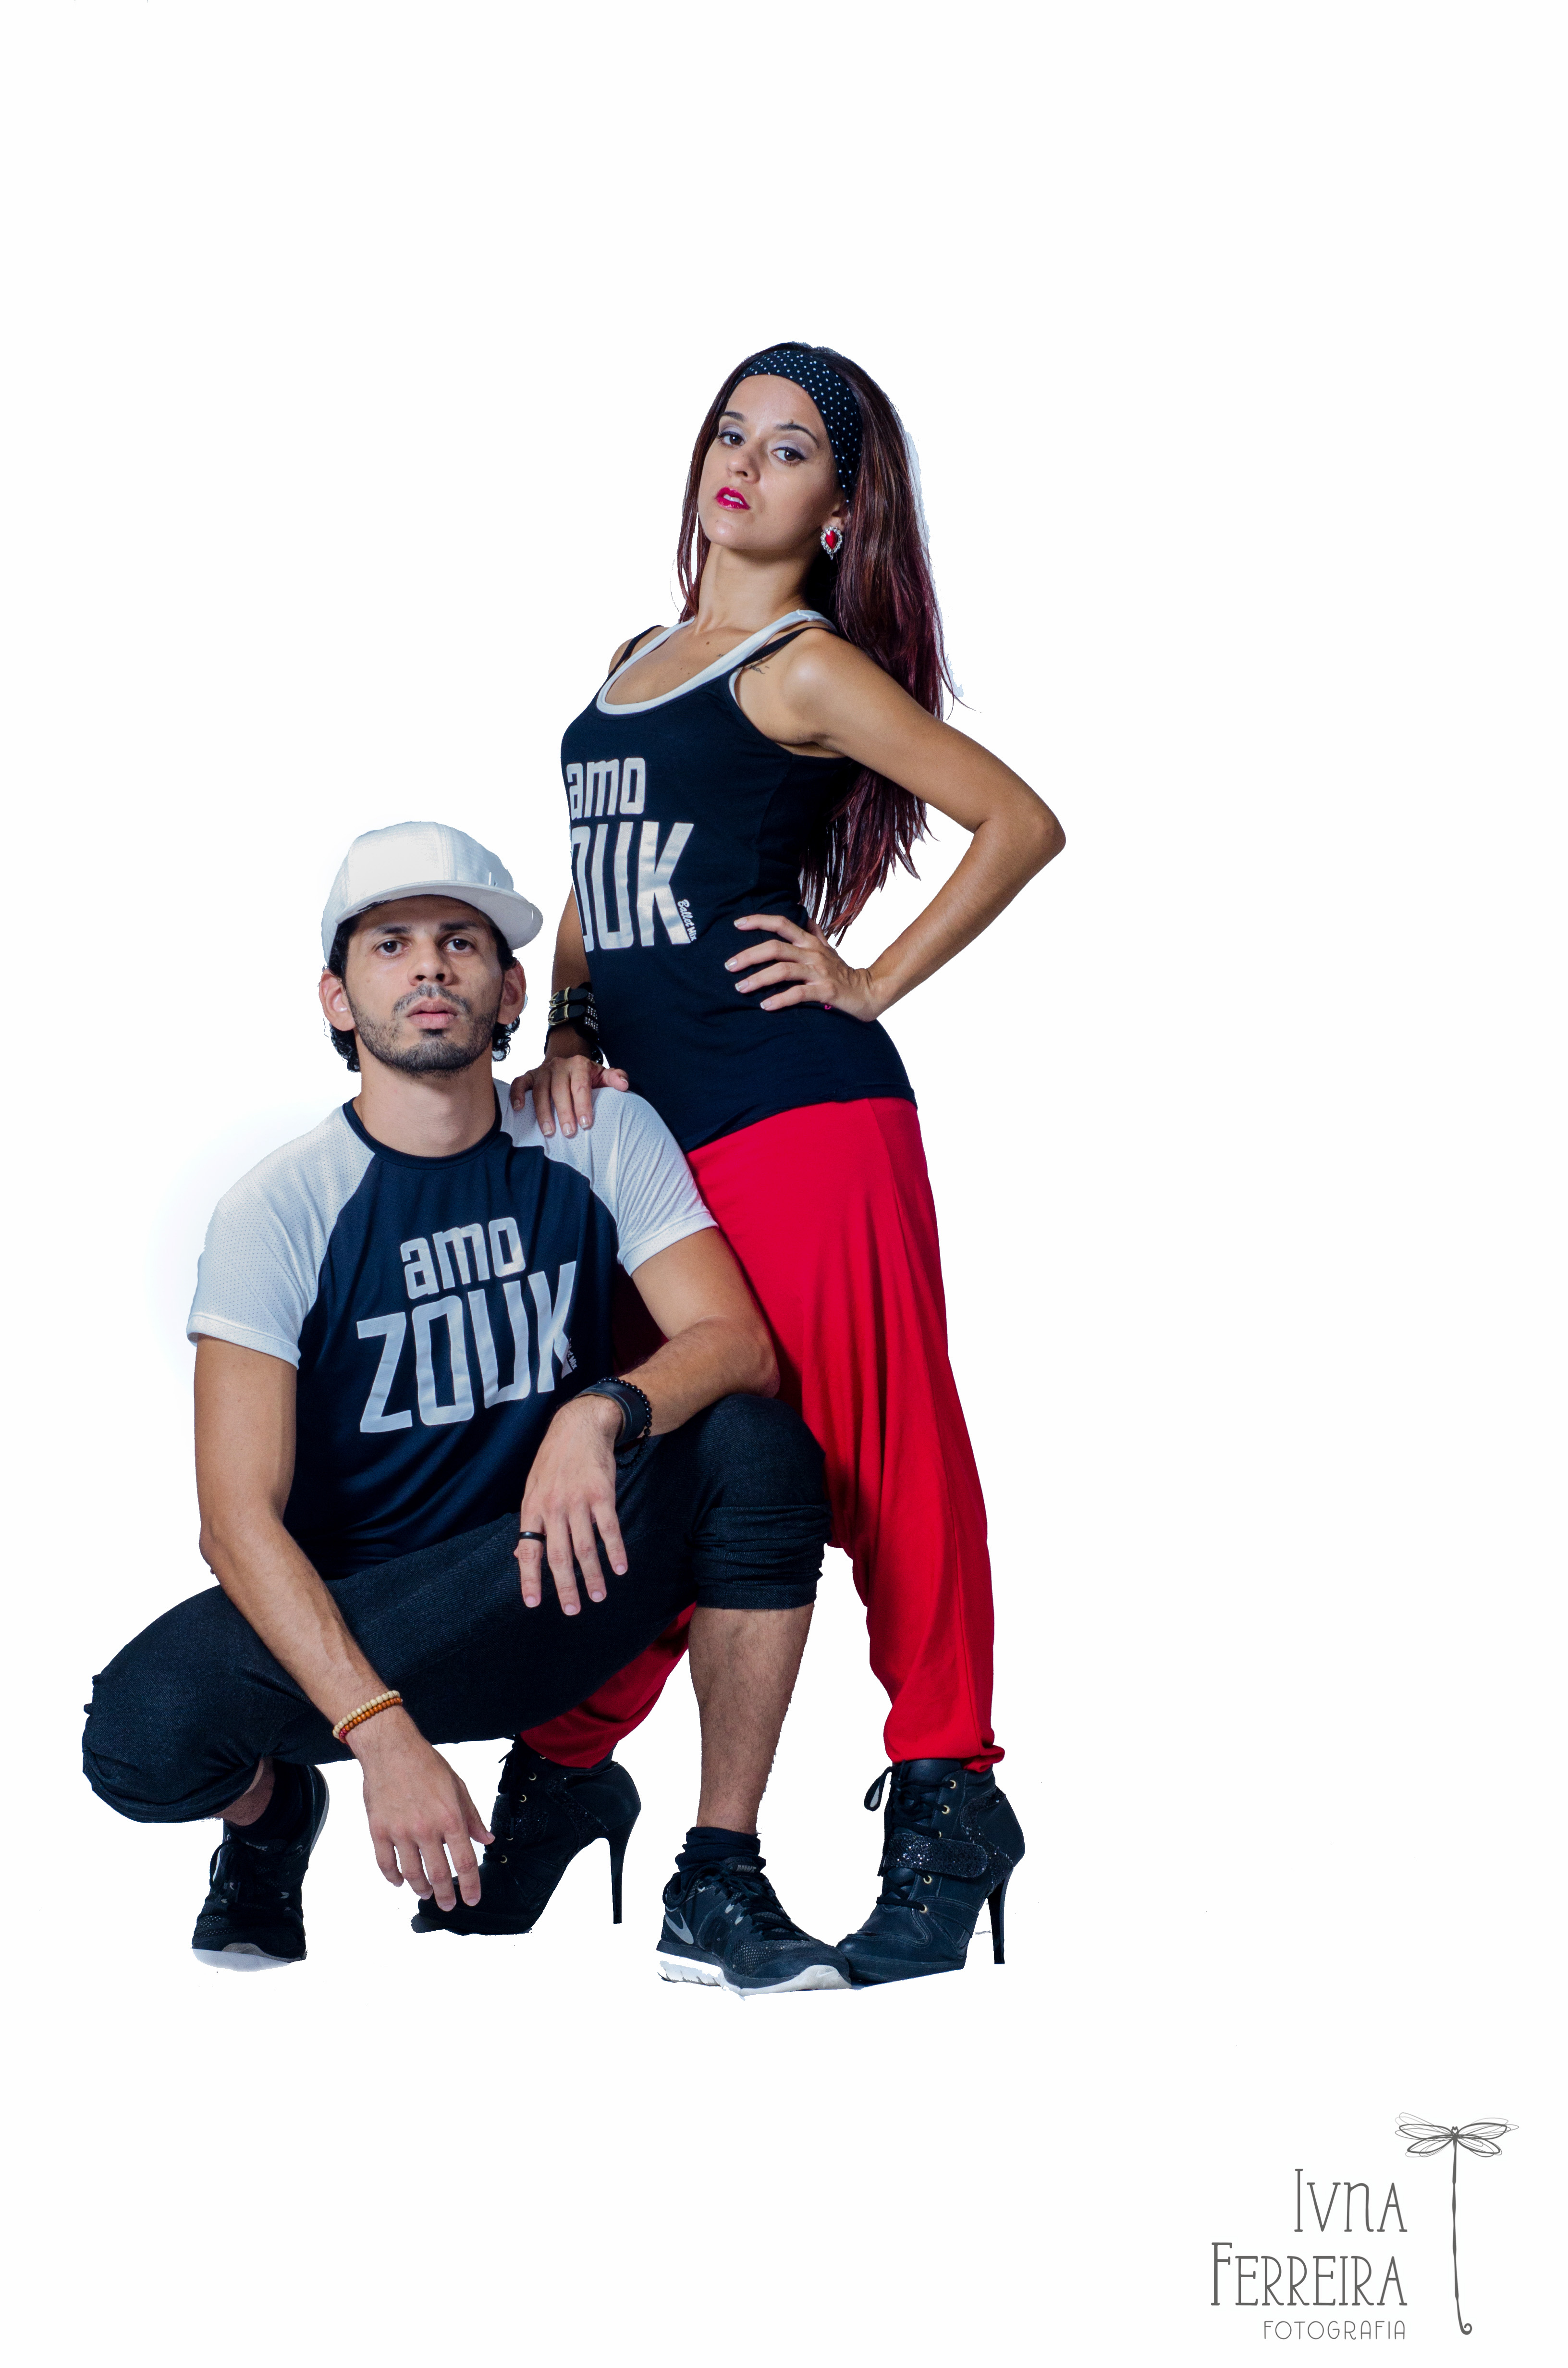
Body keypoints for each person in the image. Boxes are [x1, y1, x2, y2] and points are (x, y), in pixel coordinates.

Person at [510, 341, 1064, 1984]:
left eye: (792, 446)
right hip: (653, 1139)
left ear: (839, 510)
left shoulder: (804, 668)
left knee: (880, 1454)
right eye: (730, 431)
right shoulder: (632, 659)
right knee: (663, 1453)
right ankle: (565, 1765)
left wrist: (871, 978)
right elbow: (594, 883)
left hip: (802, 1116)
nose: (743, 461)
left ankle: (951, 1795)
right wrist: (569, 1019)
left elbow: (1019, 820)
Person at [82, 820, 853, 1997]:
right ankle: (271, 1817)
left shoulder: (595, 1133)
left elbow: (735, 1344)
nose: (429, 967)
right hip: (379, 1623)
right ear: (339, 998)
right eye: (391, 945)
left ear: (510, 992)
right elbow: (236, 1522)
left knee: (755, 1445)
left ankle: (718, 1871)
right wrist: (380, 1731)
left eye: (461, 941)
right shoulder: (277, 1211)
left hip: (564, 1573)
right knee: (139, 1734)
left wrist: (600, 1410)